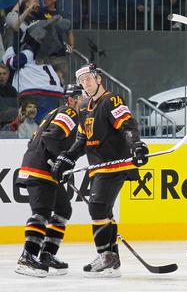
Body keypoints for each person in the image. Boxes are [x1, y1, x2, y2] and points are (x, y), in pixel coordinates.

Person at [51, 63, 149, 277]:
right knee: (103, 211)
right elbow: (81, 140)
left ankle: (105, 256)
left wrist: (137, 145)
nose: (85, 83)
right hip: (98, 167)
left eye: (89, 78)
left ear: (98, 79)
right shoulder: (85, 108)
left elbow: (127, 125)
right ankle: (112, 259)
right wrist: (67, 158)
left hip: (114, 164)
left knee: (97, 207)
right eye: (82, 80)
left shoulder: (112, 100)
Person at [14, 84, 84, 277]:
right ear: (71, 100)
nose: (85, 101)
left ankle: (47, 254)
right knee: (42, 213)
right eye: (82, 98)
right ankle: (27, 257)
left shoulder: (59, 111)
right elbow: (51, 137)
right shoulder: (70, 112)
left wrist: (60, 164)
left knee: (63, 209)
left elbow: (40, 139)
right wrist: (60, 160)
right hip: (39, 169)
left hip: (45, 168)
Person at [2, 46, 64, 123]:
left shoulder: (28, 53)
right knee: (47, 123)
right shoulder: (42, 56)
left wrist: (12, 48)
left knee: (34, 124)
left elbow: (11, 62)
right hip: (54, 92)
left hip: (37, 90)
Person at [42, 0, 74, 84]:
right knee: (46, 82)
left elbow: (69, 30)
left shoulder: (61, 14)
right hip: (44, 55)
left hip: (59, 55)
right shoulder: (39, 12)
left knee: (61, 82)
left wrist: (71, 45)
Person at [0, 63, 18, 129]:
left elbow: (17, 108)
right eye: (0, 74)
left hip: (10, 124)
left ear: (8, 75)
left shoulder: (12, 90)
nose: (2, 76)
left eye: (4, 74)